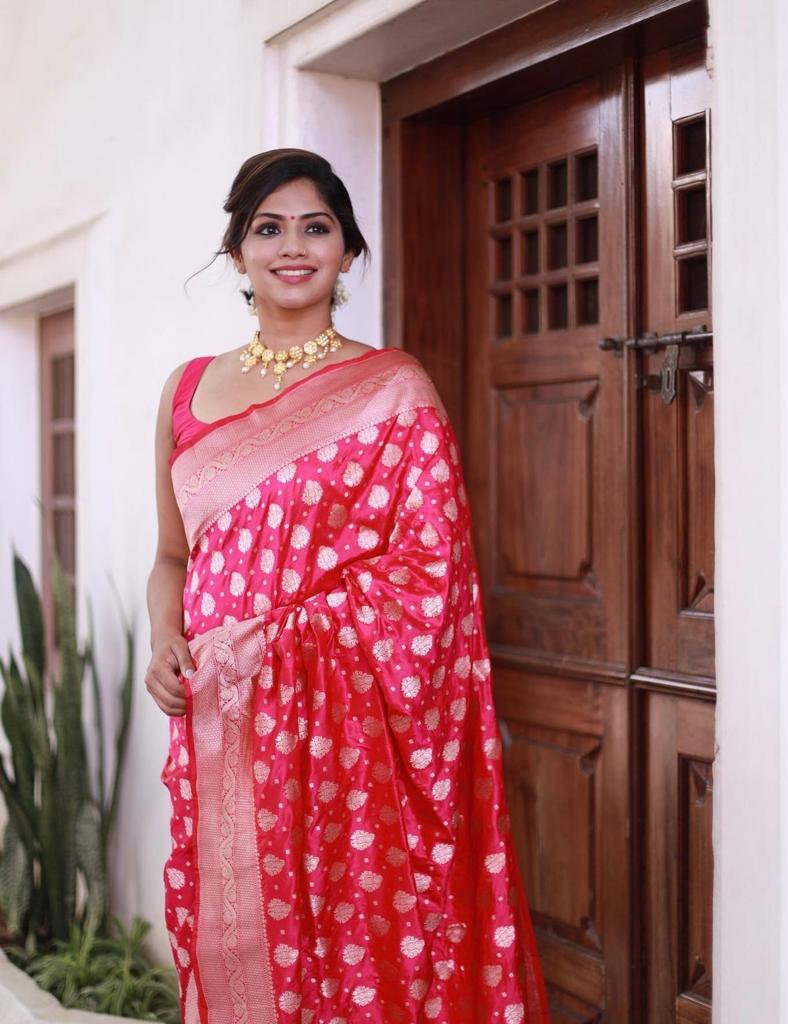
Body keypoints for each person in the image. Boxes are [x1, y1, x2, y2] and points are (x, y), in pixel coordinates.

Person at [146, 148, 550, 1023]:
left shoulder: (392, 389)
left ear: (348, 250)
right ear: (238, 253)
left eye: (315, 227)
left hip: (345, 746)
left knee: (351, 934)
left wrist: (274, 642)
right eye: (268, 227)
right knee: (233, 940)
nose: (293, 246)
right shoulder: (185, 390)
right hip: (220, 720)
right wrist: (164, 639)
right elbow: (173, 557)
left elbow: (429, 578)